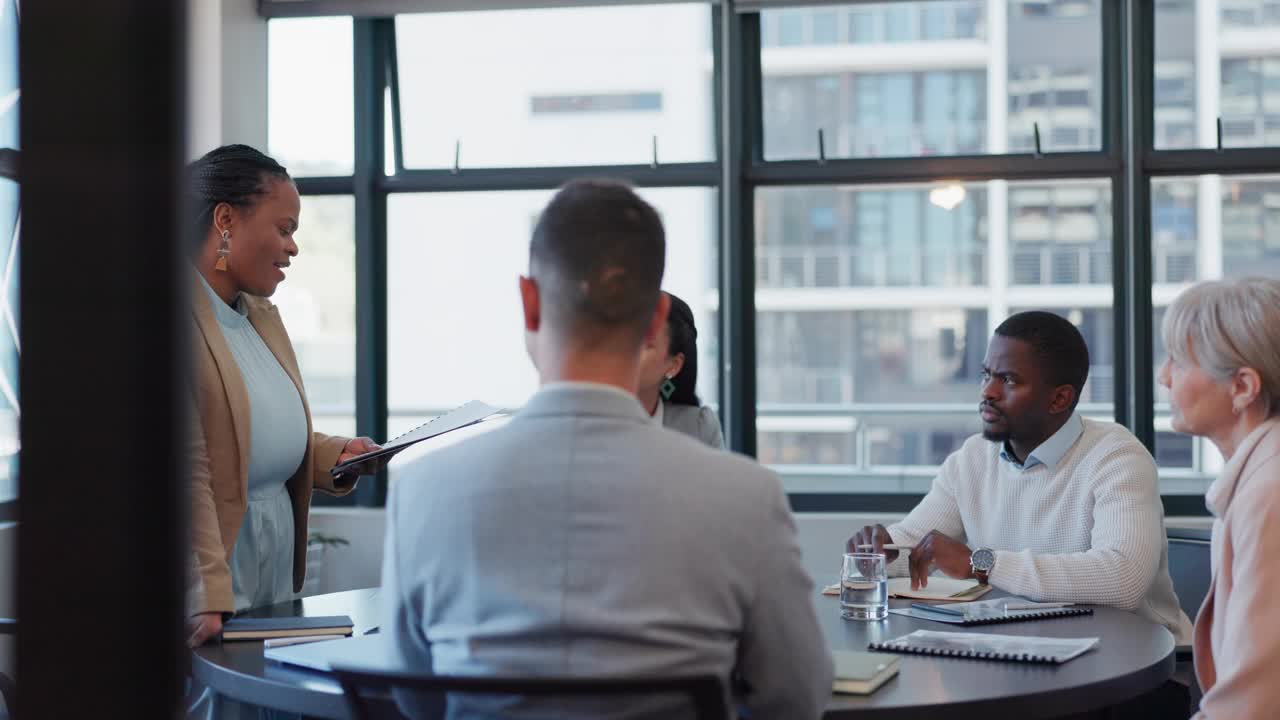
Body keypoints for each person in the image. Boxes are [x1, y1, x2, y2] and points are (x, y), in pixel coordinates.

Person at [382, 179, 832, 718]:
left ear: (529, 302)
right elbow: (796, 697)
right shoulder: (747, 496)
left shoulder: (423, 490)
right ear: (656, 320)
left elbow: (411, 696)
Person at [849, 311, 1192, 643]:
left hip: (1134, 669)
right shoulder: (973, 458)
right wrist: (880, 554)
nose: (988, 392)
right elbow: (917, 546)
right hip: (1022, 653)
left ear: (1060, 398)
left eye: (1009, 380)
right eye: (987, 375)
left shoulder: (1116, 456)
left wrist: (979, 563)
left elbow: (1122, 578)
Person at [185, 145, 382, 647]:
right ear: (225, 220)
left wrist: (333, 456)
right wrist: (203, 594)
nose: (293, 248)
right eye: (284, 228)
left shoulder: (258, 316)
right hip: (218, 578)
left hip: (270, 576)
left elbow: (247, 430)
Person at [1157, 278, 1280, 720]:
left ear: (1243, 387)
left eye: (1179, 361)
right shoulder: (1256, 475)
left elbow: (1256, 702)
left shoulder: (1269, 493)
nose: (1164, 376)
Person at [637, 291, 723, 448]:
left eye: (647, 344)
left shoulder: (698, 429)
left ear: (674, 365)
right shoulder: (588, 420)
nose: (630, 350)